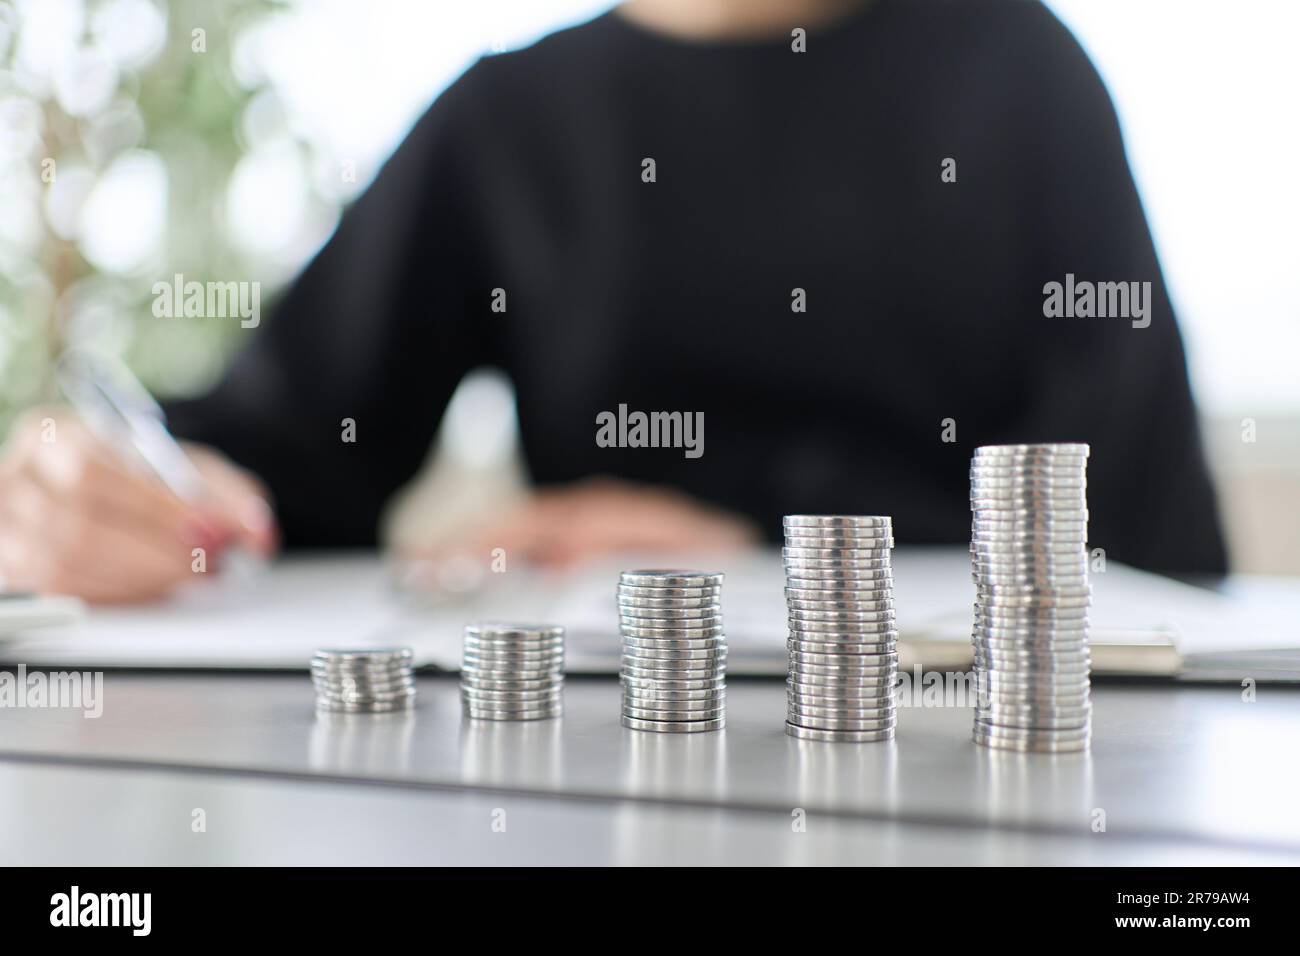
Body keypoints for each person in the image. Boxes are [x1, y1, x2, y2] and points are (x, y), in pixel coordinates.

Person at [0, 0, 1228, 603]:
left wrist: (758, 545)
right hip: (604, 758)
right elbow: (292, 441)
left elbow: (1146, 526)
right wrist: (120, 491)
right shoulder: (508, 120)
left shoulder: (1025, 80)